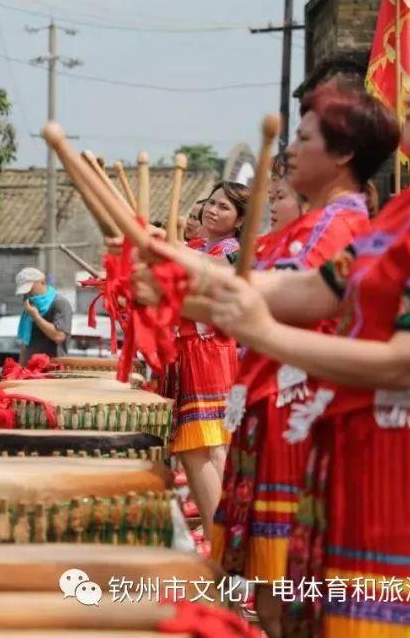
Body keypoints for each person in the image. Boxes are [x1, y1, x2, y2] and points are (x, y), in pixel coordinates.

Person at [198, 26, 410, 637]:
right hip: (362, 468)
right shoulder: (407, 212)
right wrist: (188, 283)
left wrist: (260, 328)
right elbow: (310, 290)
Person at [211, 80, 394, 637]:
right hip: (271, 407)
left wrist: (181, 274)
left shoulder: (340, 227)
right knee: (275, 599)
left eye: (304, 136)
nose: (289, 149)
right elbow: (247, 287)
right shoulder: (313, 226)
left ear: (342, 154)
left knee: (289, 598)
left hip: (297, 415)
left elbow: (269, 295)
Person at [167, 181, 248, 548]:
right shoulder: (201, 247)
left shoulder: (231, 252)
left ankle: (225, 539)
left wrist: (163, 250)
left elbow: (203, 272)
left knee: (211, 446)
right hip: (193, 351)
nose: (212, 210)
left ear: (239, 220)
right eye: (211, 203)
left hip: (210, 351)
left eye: (223, 207)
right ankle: (221, 536)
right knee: (198, 447)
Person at [14, 266, 72, 364]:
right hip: (30, 369)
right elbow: (25, 343)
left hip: (52, 369)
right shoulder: (31, 305)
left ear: (42, 282)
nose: (27, 293)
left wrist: (36, 317)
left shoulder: (59, 303)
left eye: (30, 288)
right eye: (24, 291)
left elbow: (59, 336)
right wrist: (20, 369)